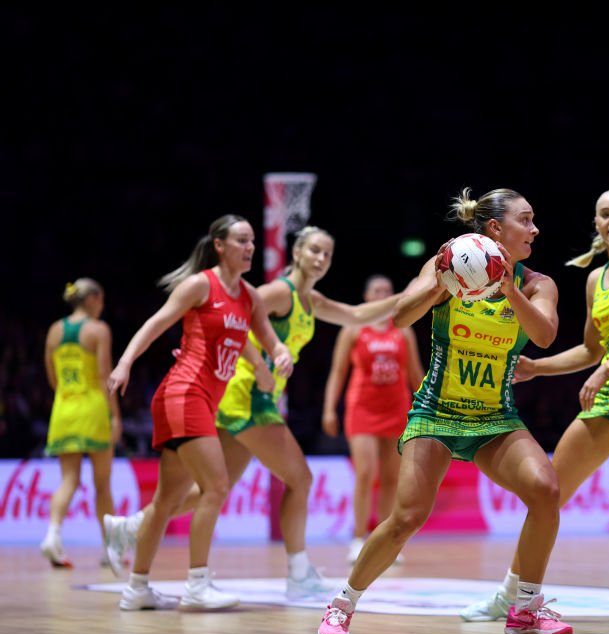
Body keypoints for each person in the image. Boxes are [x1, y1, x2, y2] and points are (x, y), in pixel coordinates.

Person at [317, 188, 571, 634]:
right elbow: (398, 317)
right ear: (495, 228)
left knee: (545, 489)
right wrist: (439, 284)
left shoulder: (537, 284)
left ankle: (526, 609)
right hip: (435, 412)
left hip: (494, 418)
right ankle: (340, 607)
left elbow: (546, 334)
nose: (534, 229)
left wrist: (508, 287)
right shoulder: (444, 266)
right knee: (407, 517)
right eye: (526, 220)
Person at [104, 226, 401, 598]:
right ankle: (297, 572)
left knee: (208, 490)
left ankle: (132, 526)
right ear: (296, 253)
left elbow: (357, 314)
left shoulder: (312, 300)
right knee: (301, 479)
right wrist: (262, 365)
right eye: (314, 251)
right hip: (246, 395)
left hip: (248, 398)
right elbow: (236, 316)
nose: (321, 259)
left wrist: (410, 296)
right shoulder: (279, 292)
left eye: (327, 254)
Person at [460, 188, 609, 630]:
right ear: (597, 224)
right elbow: (590, 350)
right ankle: (509, 595)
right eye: (605, 214)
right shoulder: (595, 279)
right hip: (607, 393)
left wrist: (607, 370)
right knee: (548, 493)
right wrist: (536, 367)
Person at [107, 214, 294, 611]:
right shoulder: (199, 285)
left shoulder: (249, 297)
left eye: (253, 242)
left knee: (166, 500)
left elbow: (270, 341)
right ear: (219, 245)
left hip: (201, 400)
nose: (249, 248)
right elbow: (156, 323)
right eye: (241, 241)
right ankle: (196, 586)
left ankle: (136, 587)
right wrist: (124, 363)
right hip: (183, 393)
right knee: (216, 487)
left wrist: (280, 356)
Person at [322, 274, 424, 564]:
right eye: (377, 290)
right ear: (367, 297)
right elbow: (338, 372)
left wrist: (428, 408)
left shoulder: (403, 331)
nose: (383, 294)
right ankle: (357, 538)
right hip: (362, 409)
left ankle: (385, 541)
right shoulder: (354, 329)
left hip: (396, 409)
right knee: (365, 473)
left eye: (388, 290)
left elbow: (415, 375)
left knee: (392, 478)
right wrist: (329, 409)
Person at [41, 278, 121, 568]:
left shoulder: (53, 330)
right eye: (101, 300)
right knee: (102, 484)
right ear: (93, 299)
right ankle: (110, 550)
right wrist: (115, 416)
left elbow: (52, 378)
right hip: (93, 409)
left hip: (63, 409)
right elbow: (103, 376)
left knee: (68, 480)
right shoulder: (98, 330)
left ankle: (53, 535)